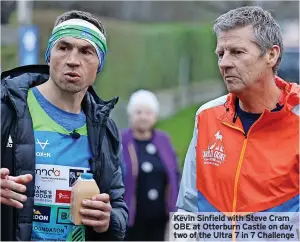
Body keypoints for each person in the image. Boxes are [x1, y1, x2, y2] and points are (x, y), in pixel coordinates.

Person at [1, 10, 128, 241]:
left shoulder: (105, 128)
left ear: (99, 64)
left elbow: (118, 205)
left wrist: (108, 220)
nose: (72, 60)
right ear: (49, 55)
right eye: (63, 47)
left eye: (86, 51)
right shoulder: (6, 109)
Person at [177, 6, 299, 215]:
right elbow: (188, 209)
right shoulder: (206, 116)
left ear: (271, 54)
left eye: (237, 52)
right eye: (221, 54)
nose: (224, 63)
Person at [121, 90, 180, 241]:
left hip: (160, 219)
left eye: (148, 112)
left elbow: (174, 173)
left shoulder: (163, 140)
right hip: (131, 220)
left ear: (155, 115)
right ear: (130, 115)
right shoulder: (121, 140)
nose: (143, 117)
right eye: (138, 112)